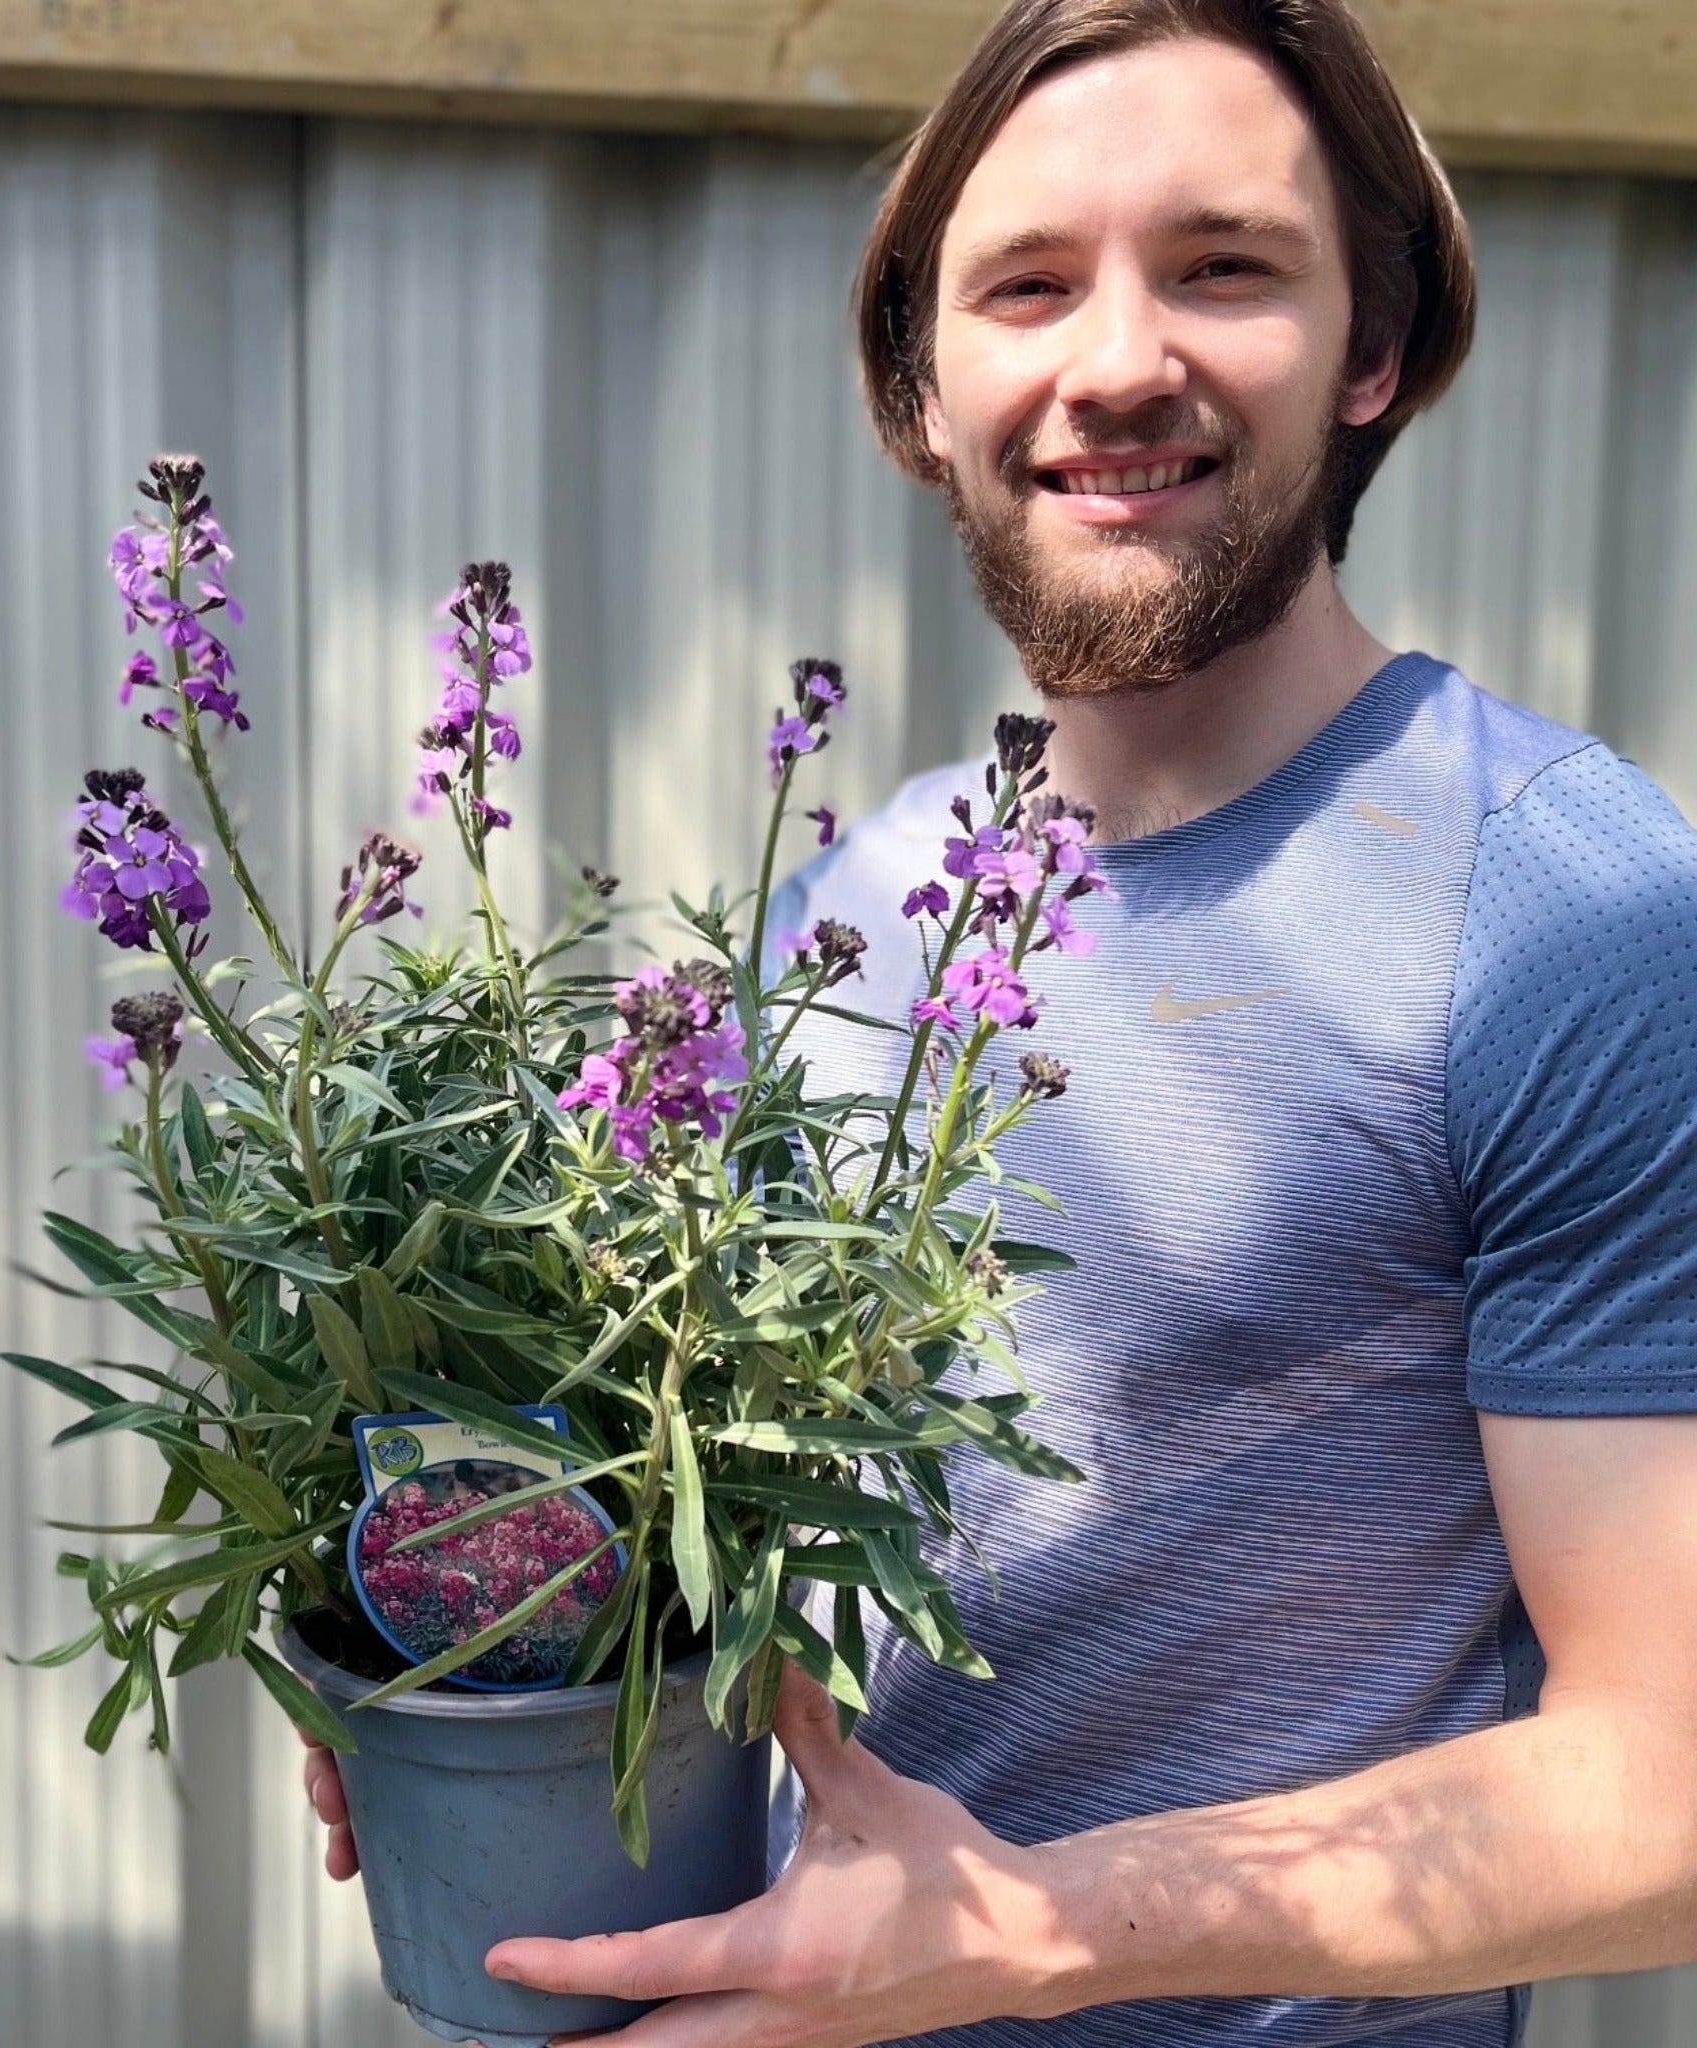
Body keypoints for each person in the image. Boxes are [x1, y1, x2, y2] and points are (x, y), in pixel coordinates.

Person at [301, 2, 1697, 2041]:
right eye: (1027, 285)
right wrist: (455, 1649)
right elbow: (687, 1526)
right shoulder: (848, 914)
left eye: (1223, 266)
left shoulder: (1564, 904)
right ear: (922, 386)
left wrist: (1027, 1928)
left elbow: (1663, 1787)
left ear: (1374, 348)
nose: (1115, 360)